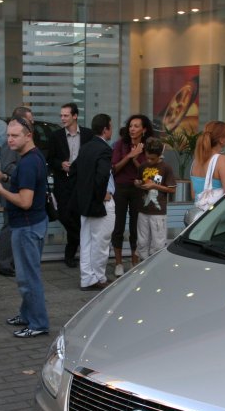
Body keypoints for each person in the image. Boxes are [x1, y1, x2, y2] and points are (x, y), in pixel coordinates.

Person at [0, 114, 50, 338]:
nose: (10, 140)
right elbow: (25, 185)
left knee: (28, 278)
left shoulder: (28, 163)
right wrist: (4, 177)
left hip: (27, 227)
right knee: (27, 275)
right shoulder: (31, 158)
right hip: (32, 224)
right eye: (8, 135)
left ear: (28, 136)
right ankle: (27, 314)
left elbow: (25, 201)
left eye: (15, 136)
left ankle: (38, 323)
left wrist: (0, 190)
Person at [70, 113, 115, 292]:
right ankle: (98, 277)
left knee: (87, 241)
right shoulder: (104, 149)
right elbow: (102, 175)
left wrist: (85, 193)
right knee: (101, 242)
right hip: (99, 203)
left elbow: (74, 171)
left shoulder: (86, 147)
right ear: (105, 129)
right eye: (110, 126)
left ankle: (87, 278)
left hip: (86, 202)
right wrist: (100, 194)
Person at [48, 102, 94, 268]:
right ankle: (83, 242)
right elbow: (50, 158)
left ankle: (71, 254)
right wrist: (61, 164)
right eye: (61, 115)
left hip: (81, 182)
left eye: (66, 115)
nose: (62, 118)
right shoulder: (56, 136)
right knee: (65, 215)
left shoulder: (88, 135)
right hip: (63, 182)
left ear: (75, 116)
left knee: (78, 216)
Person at [0, 106, 34, 277]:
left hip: (19, 191)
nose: (33, 122)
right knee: (9, 227)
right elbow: (8, 166)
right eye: (30, 119)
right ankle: (3, 263)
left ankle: (12, 262)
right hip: (11, 190)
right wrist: (25, 169)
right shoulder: (10, 143)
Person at [111, 114, 153, 277]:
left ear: (144, 129)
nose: (132, 129)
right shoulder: (120, 144)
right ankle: (119, 263)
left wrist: (136, 158)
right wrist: (129, 155)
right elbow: (114, 169)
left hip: (138, 189)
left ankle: (135, 260)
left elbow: (147, 173)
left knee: (137, 226)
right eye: (130, 126)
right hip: (120, 188)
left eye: (136, 126)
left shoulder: (148, 146)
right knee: (118, 226)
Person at [134, 138, 176, 260]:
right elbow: (140, 181)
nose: (149, 161)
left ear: (160, 156)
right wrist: (138, 183)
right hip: (143, 210)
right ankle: (142, 267)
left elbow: (172, 189)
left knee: (158, 244)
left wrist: (154, 186)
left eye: (152, 158)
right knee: (142, 243)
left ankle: (155, 268)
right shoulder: (142, 166)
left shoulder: (166, 168)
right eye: (147, 157)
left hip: (158, 212)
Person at [190, 120, 225, 198]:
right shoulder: (221, 160)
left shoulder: (196, 160)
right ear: (221, 139)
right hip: (218, 209)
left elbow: (194, 195)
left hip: (200, 208)